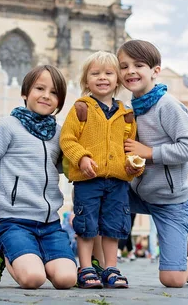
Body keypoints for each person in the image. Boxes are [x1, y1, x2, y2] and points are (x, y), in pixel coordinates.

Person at [0, 65, 77, 289]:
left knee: (67, 280)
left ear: (60, 100)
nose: (46, 96)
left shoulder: (59, 134)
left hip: (50, 225)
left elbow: (61, 167)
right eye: (40, 88)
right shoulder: (7, 126)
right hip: (14, 223)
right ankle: (5, 252)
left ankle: (36, 256)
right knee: (33, 279)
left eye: (54, 92)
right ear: (25, 93)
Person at [117, 40, 188, 288]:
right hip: (136, 193)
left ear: (155, 70)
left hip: (170, 201)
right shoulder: (127, 109)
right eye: (124, 66)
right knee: (101, 194)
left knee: (173, 279)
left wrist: (150, 153)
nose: (130, 71)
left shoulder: (168, 105)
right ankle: (102, 265)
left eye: (138, 65)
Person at [60, 51, 139, 289]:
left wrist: (133, 165)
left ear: (118, 80)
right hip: (88, 180)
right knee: (86, 226)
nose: (102, 78)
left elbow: (129, 147)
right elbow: (67, 139)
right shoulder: (81, 108)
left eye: (108, 73)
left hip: (117, 182)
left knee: (113, 227)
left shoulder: (126, 114)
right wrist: (81, 158)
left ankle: (110, 268)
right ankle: (85, 268)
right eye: (95, 73)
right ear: (86, 81)